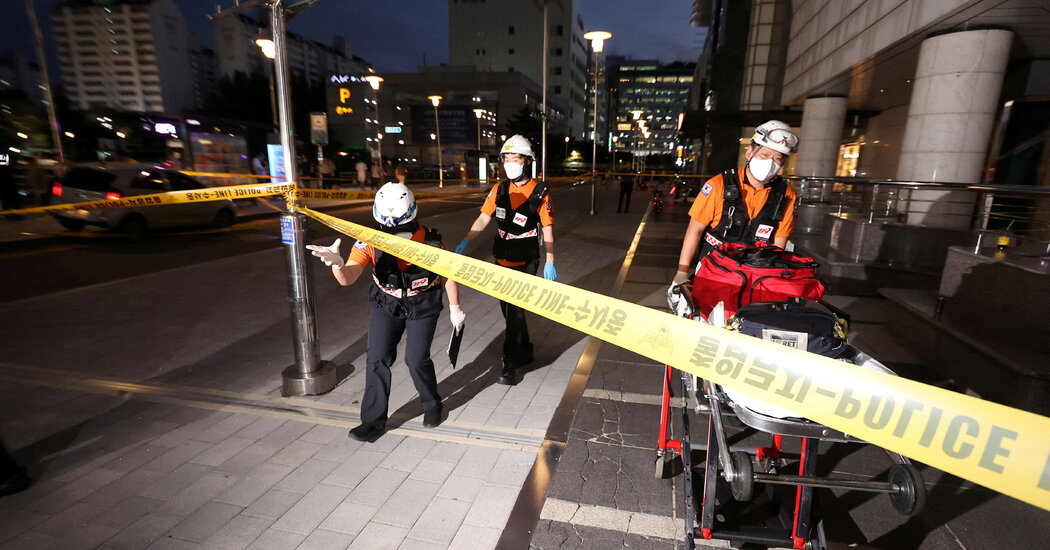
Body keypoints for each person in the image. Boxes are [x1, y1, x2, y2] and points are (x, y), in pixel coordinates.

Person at [306, 182, 465, 442]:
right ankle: (372, 422)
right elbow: (348, 278)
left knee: (416, 360)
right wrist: (336, 264)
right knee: (377, 359)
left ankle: (432, 405)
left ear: (412, 216)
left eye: (400, 227)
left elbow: (448, 275)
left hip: (422, 303)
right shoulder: (369, 240)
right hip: (386, 303)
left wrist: (455, 309)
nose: (391, 232)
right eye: (386, 226)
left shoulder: (433, 241)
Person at [454, 135, 555, 385]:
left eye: (515, 158)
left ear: (527, 161)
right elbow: (483, 219)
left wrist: (550, 260)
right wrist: (466, 240)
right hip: (502, 257)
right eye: (506, 158)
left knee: (515, 312)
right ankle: (525, 349)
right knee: (510, 311)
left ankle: (510, 365)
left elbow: (548, 228)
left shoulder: (539, 192)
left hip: (526, 259)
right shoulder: (499, 189)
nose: (510, 162)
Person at [668, 120, 800, 309]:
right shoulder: (718, 185)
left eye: (778, 158)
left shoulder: (786, 195)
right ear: (749, 152)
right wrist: (681, 272)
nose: (771, 162)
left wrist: (775, 280)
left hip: (755, 276)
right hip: (712, 271)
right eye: (765, 154)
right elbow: (694, 230)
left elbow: (778, 245)